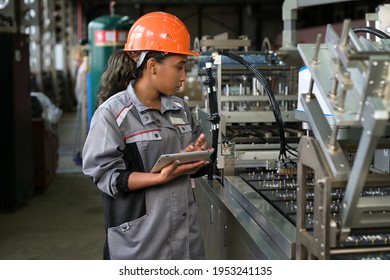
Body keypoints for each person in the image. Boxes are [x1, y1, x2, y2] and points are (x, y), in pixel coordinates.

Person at [82, 11, 211, 260]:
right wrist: (159, 177)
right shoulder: (113, 114)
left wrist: (195, 159)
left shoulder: (180, 110)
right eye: (179, 67)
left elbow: (197, 164)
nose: (183, 77)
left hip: (186, 242)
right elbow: (107, 176)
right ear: (152, 65)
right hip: (140, 246)